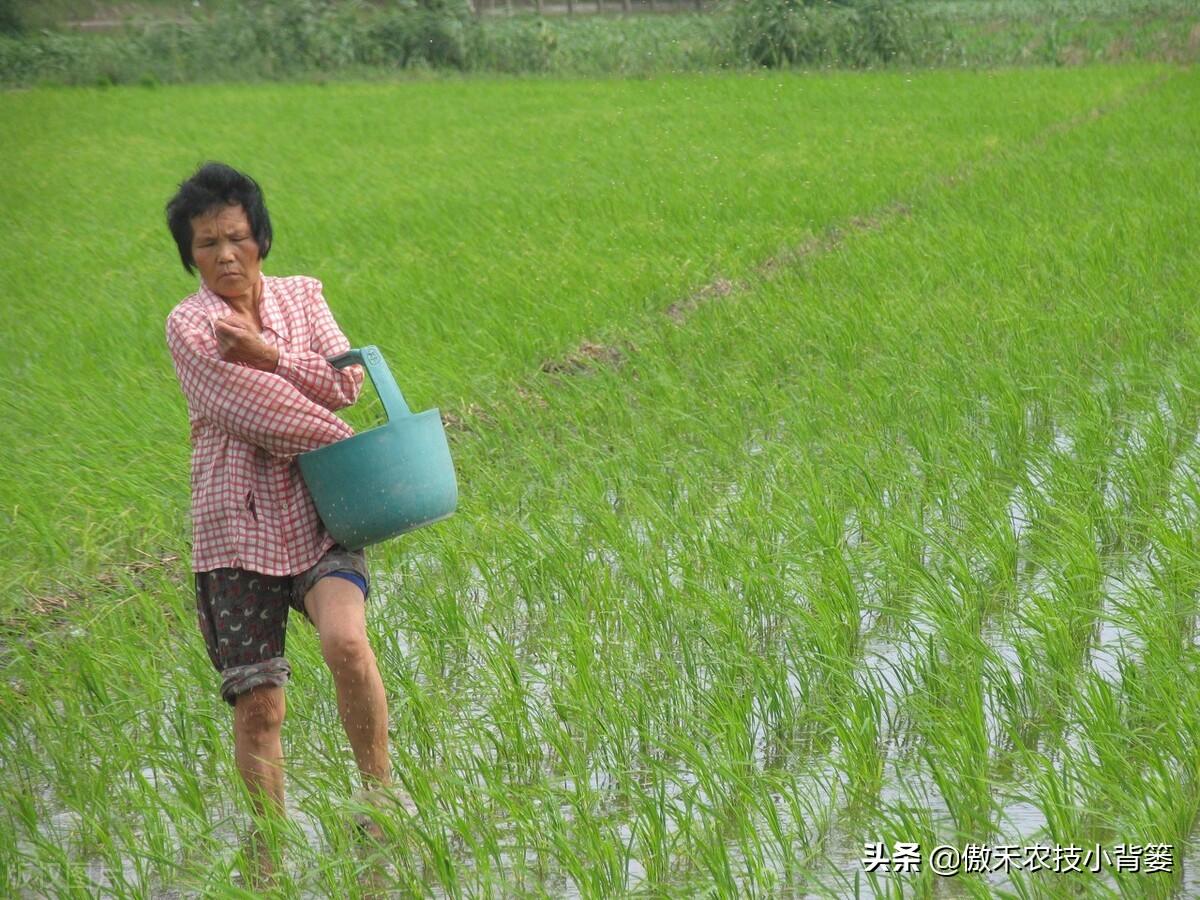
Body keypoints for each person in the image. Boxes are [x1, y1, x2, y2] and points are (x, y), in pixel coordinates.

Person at [164, 162, 397, 882]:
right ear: (190, 255)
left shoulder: (303, 297)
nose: (225, 255)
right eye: (207, 244)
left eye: (236, 237)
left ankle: (380, 798)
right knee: (260, 704)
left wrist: (271, 352)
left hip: (323, 508)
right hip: (235, 528)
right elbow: (256, 412)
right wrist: (350, 446)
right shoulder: (190, 326)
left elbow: (348, 383)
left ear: (260, 237)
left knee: (347, 643)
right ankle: (268, 856)